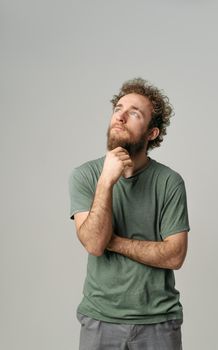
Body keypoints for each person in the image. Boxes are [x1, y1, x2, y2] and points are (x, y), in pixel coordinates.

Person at [69, 78, 190, 350]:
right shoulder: (85, 176)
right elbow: (93, 244)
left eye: (134, 113)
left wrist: (113, 241)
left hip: (159, 321)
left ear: (152, 133)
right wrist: (106, 181)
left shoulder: (169, 182)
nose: (120, 117)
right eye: (118, 109)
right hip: (100, 318)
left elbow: (175, 255)